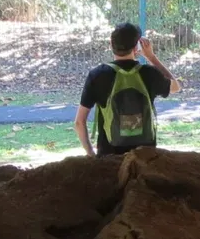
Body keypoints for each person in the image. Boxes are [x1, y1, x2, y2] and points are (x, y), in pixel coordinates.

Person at [75, 22, 179, 157]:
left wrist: (91, 154)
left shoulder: (97, 75)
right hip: (144, 157)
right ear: (137, 47)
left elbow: (79, 122)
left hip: (109, 157)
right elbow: (176, 86)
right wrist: (151, 57)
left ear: (111, 45)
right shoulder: (149, 73)